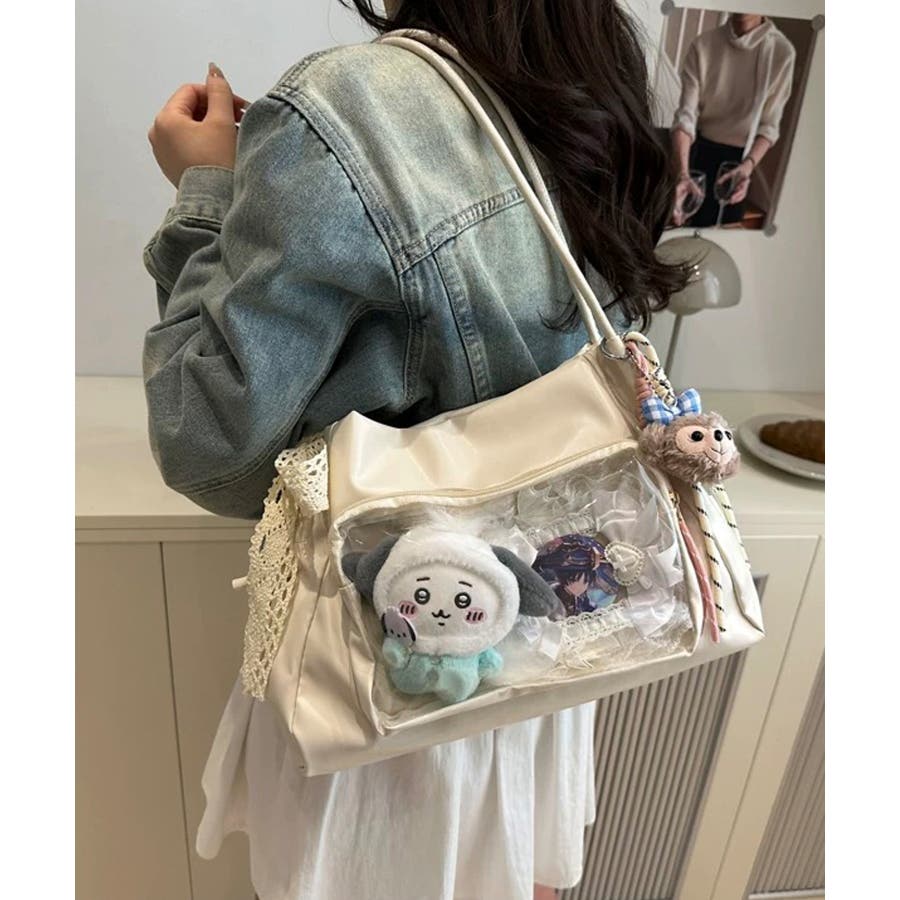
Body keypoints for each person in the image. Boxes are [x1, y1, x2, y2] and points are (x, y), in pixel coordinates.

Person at [142, 2, 687, 898]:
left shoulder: (350, 107)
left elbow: (209, 445)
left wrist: (205, 193)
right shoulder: (597, 91)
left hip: (386, 665)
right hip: (541, 654)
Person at [671, 13, 796, 227]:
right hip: (697, 155)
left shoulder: (782, 52)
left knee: (724, 237)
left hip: (739, 164)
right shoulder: (703, 45)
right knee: (685, 232)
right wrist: (682, 173)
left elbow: (769, 126)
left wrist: (747, 167)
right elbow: (685, 117)